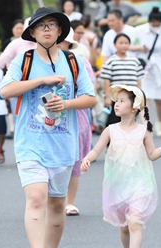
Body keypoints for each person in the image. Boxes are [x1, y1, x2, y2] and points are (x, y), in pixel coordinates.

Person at [0, 7, 96, 247]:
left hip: (63, 146)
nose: (46, 29)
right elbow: (5, 91)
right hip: (30, 144)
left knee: (56, 205)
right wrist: (41, 80)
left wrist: (66, 104)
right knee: (37, 199)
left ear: (60, 30)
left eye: (51, 24)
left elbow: (90, 98)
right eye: (40, 25)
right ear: (32, 32)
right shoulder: (24, 61)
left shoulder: (74, 62)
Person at [81, 84, 161, 248]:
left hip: (140, 185)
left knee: (134, 223)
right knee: (125, 227)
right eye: (116, 101)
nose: (116, 104)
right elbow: (96, 150)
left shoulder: (144, 131)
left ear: (134, 108)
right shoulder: (110, 130)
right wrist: (87, 159)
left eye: (122, 101)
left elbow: (152, 155)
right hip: (118, 186)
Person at [56, 27, 96, 216]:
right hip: (48, 120)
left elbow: (90, 91)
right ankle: (52, 201)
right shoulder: (37, 62)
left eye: (63, 41)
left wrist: (65, 102)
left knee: (75, 161)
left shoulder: (79, 62)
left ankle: (69, 202)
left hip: (76, 117)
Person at [133, 7, 161, 136]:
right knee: (145, 98)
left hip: (159, 67)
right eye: (154, 24)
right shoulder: (139, 31)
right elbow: (132, 47)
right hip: (144, 67)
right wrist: (139, 48)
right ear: (149, 22)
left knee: (159, 98)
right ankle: (146, 124)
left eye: (158, 25)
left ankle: (160, 122)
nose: (156, 27)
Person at [101, 33, 144, 128]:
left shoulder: (135, 61)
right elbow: (106, 80)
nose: (124, 45)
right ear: (114, 44)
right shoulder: (110, 61)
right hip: (116, 98)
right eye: (121, 43)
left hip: (131, 98)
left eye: (126, 43)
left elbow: (138, 80)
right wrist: (107, 97)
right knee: (114, 122)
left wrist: (139, 95)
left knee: (130, 121)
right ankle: (112, 142)